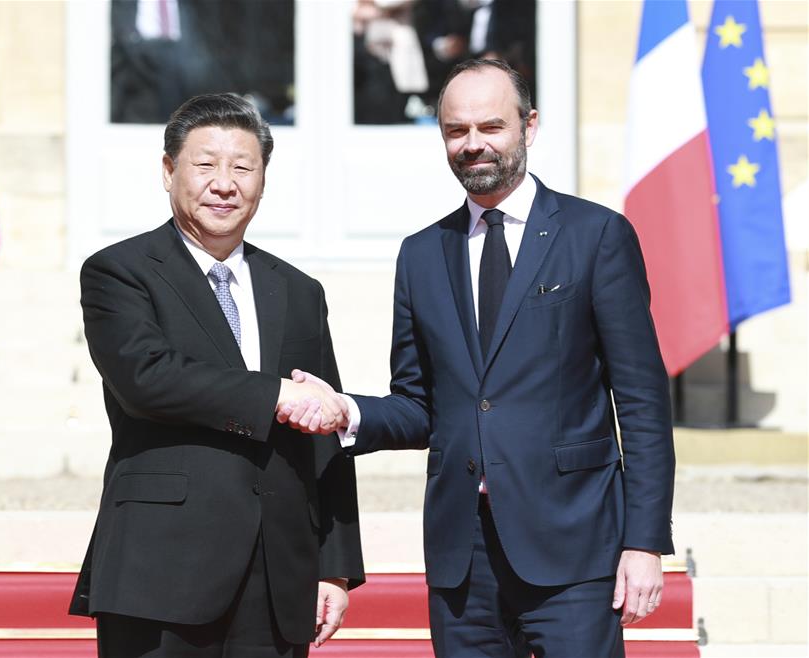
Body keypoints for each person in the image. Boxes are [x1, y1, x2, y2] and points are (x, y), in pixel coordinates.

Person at [281, 59, 675, 657]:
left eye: (491, 126)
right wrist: (345, 410)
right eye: (456, 130)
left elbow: (643, 402)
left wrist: (643, 542)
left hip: (574, 546)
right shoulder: (421, 254)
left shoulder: (595, 235)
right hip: (462, 554)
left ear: (529, 126)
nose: (473, 144)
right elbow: (419, 406)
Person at [69, 93, 364, 658]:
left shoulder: (298, 291)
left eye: (242, 168)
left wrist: (336, 566)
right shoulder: (120, 272)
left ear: (263, 180)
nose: (224, 184)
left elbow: (323, 432)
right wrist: (276, 395)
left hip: (278, 573)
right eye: (205, 165)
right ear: (168, 171)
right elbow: (147, 379)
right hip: (161, 567)